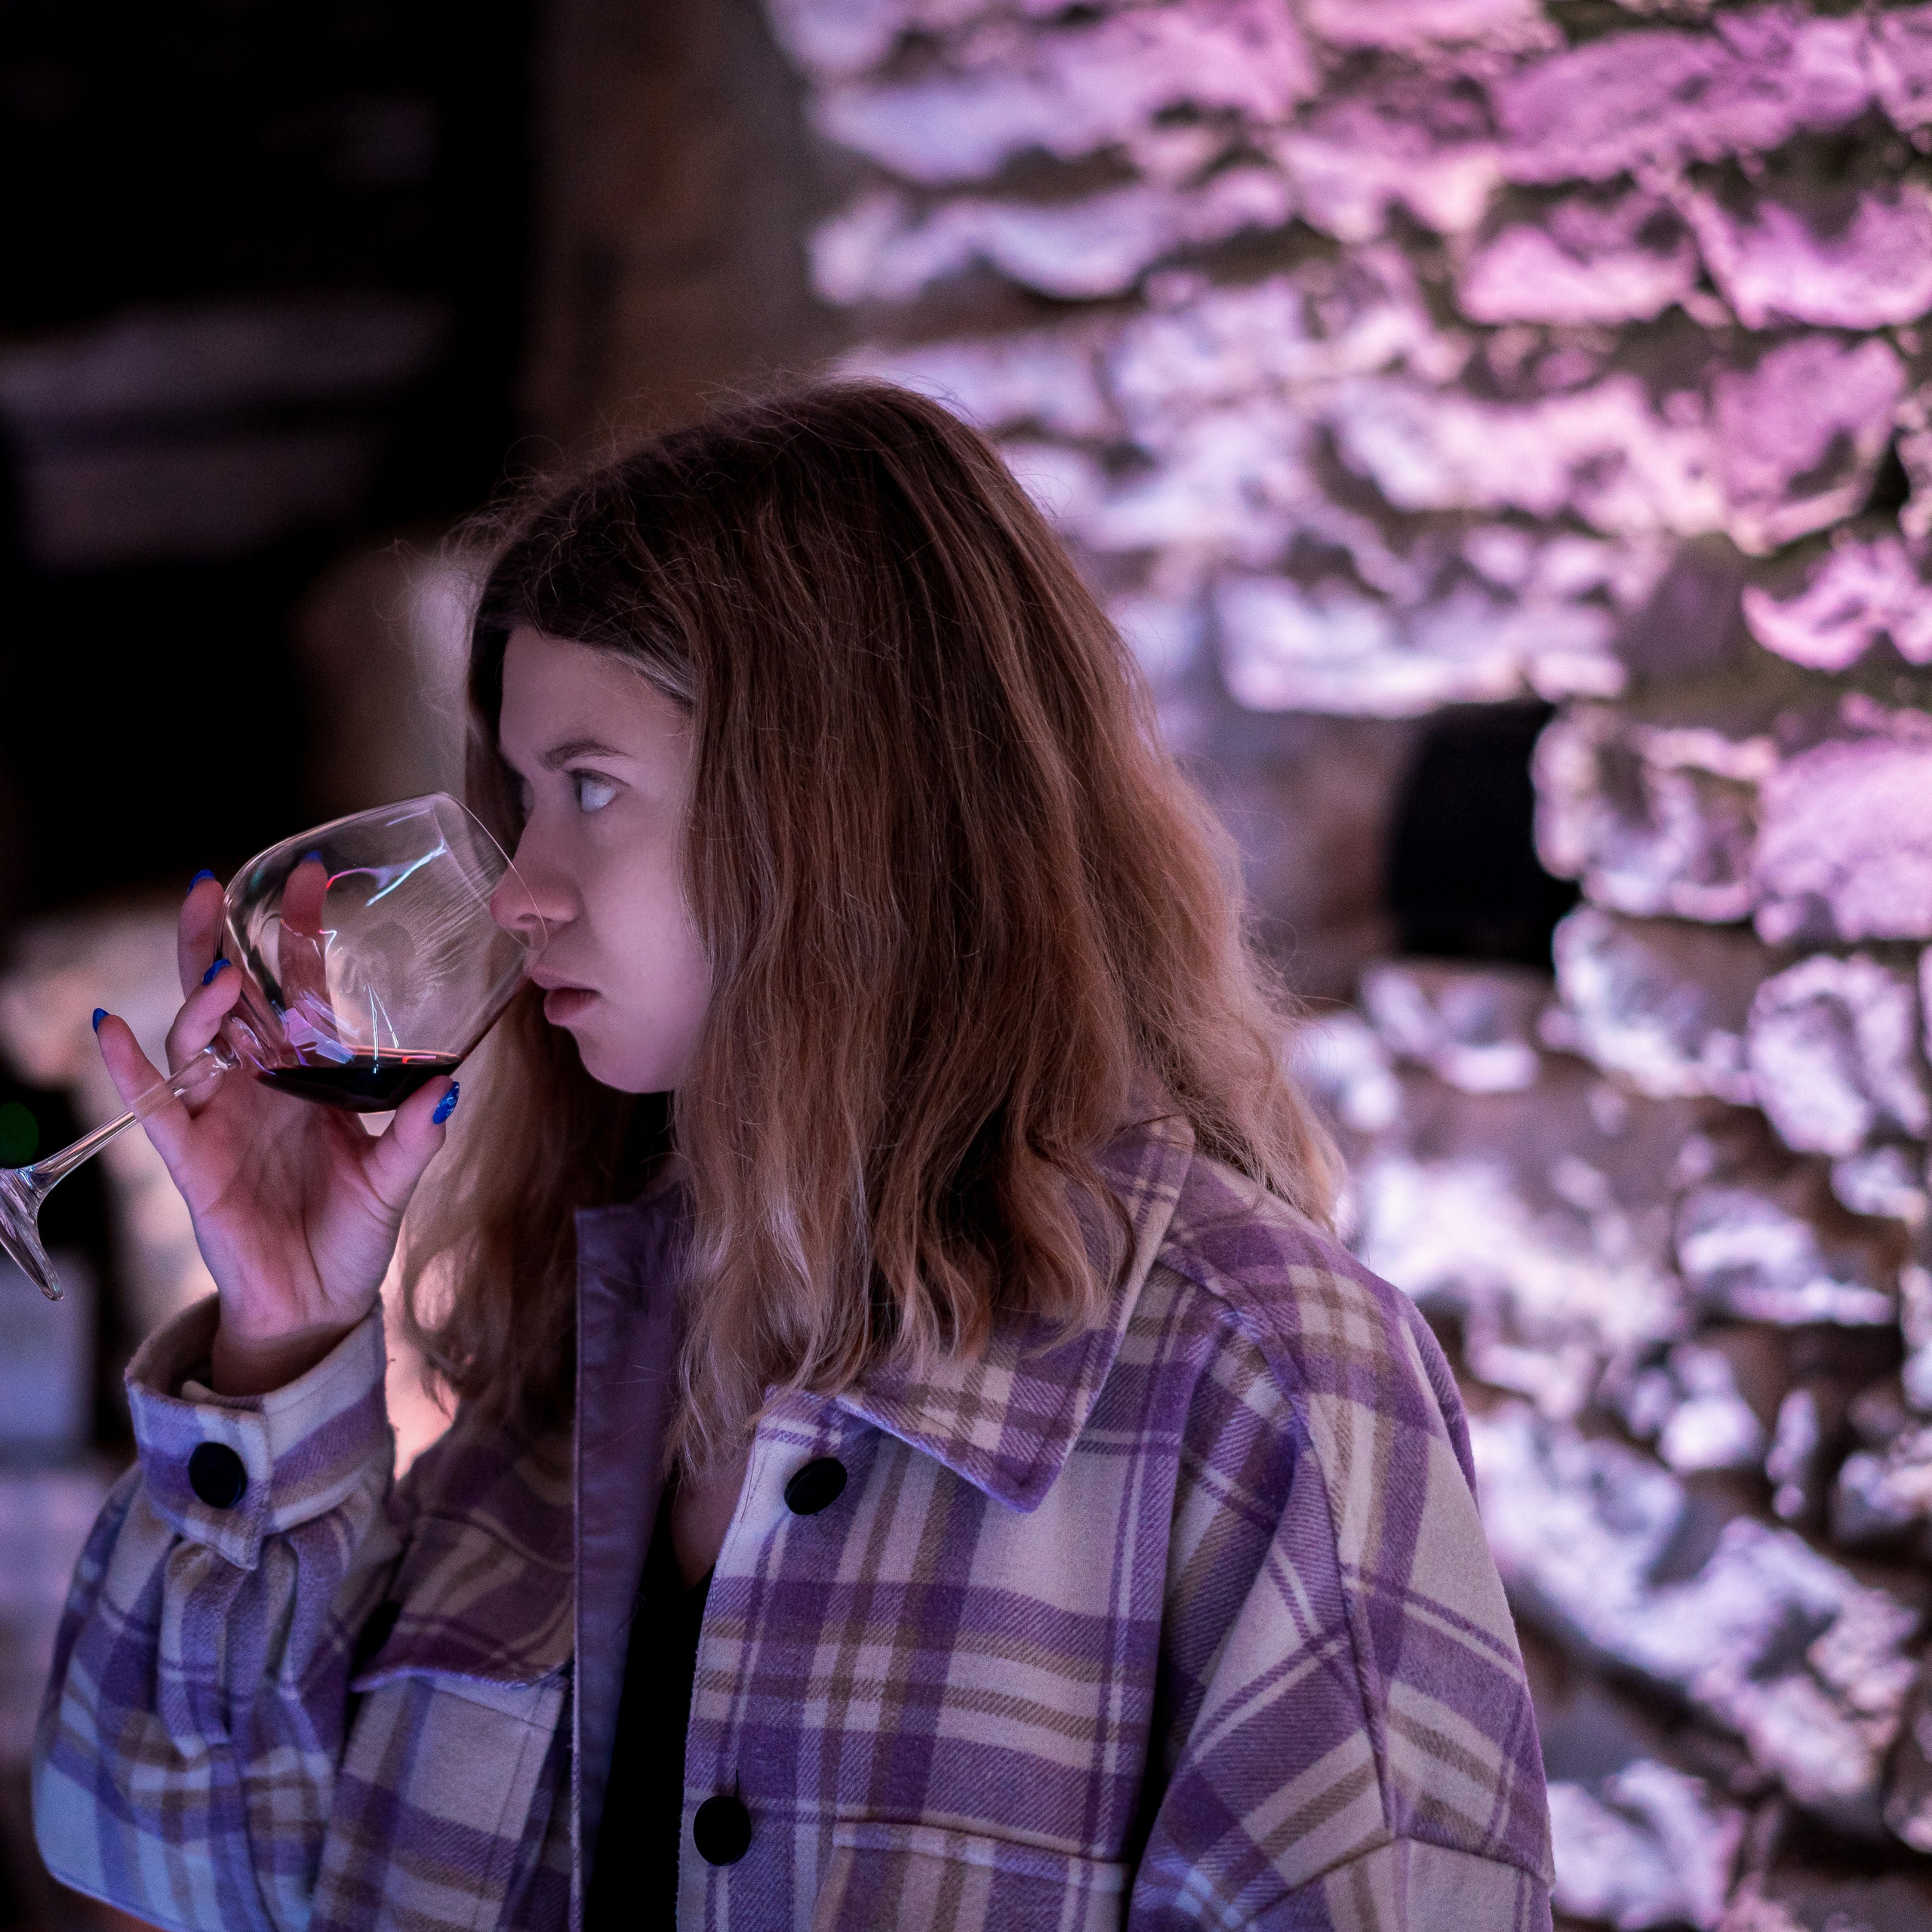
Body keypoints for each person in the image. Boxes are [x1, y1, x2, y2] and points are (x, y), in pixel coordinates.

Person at [33, 384, 1553, 1930]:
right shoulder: (583, 1347)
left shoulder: (1267, 1385)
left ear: (833, 806)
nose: (514, 893)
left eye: (591, 786)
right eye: (520, 791)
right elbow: (158, 1843)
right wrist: (280, 1331)